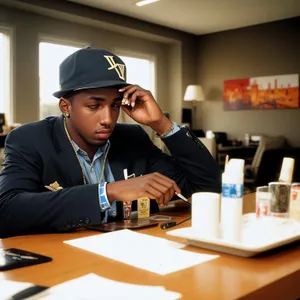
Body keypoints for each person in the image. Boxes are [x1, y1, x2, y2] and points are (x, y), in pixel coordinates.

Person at [0, 47, 221, 238]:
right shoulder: (30, 139)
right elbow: (7, 211)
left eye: (115, 105)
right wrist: (108, 192)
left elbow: (205, 185)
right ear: (65, 106)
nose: (108, 119)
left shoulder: (132, 137)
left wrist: (160, 123)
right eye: (94, 106)